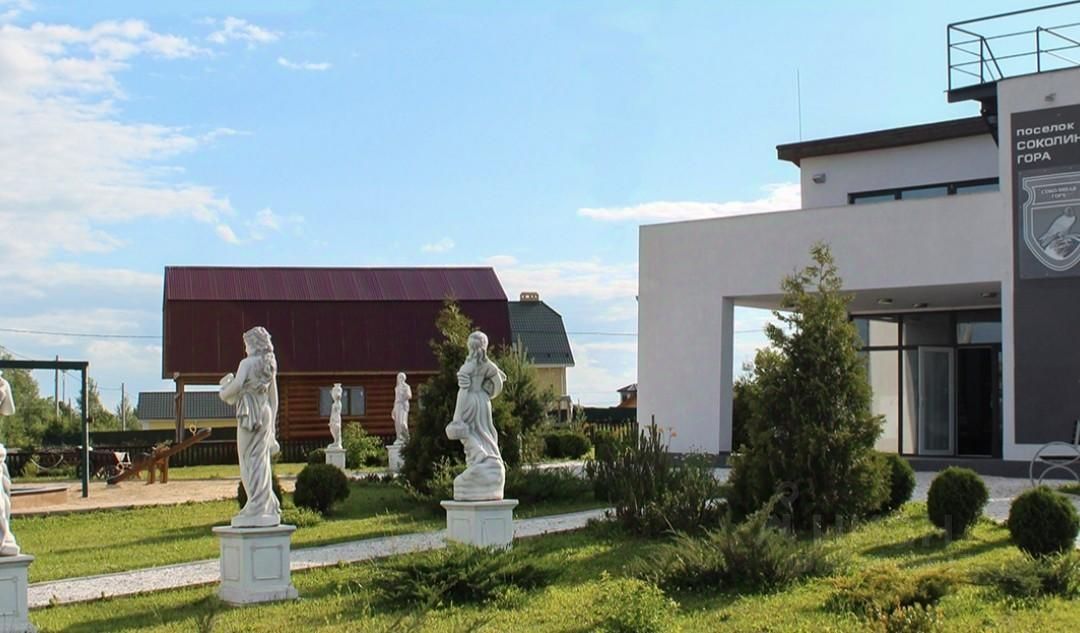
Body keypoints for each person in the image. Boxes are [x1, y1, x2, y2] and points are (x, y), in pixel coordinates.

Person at [219, 327, 281, 528]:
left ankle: (255, 504)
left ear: (254, 344)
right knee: (261, 459)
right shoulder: (270, 363)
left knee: (247, 458)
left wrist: (223, 393)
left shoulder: (246, 363)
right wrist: (272, 429)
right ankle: (263, 504)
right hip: (265, 412)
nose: (245, 349)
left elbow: (237, 386)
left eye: (246, 344)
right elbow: (274, 399)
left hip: (249, 412)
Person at [445, 331, 507, 500]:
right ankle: (487, 459)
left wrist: (457, 418)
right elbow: (498, 383)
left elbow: (463, 391)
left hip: (470, 400)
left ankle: (480, 459)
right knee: (485, 431)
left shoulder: (468, 367)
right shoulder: (488, 365)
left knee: (469, 432)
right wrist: (490, 393)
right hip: (483, 401)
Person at [392, 373, 412, 445]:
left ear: (404, 378)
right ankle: (399, 438)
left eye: (401, 377)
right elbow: (396, 399)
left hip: (403, 405)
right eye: (399, 377)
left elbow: (409, 396)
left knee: (402, 422)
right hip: (397, 405)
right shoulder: (396, 388)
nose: (400, 379)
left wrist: (403, 395)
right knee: (397, 423)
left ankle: (406, 437)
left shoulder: (406, 386)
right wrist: (393, 409)